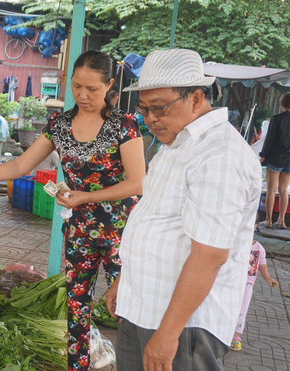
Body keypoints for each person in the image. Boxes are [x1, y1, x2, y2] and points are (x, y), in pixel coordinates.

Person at [0, 50, 145, 370]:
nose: (82, 95)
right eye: (76, 86)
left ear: (110, 85)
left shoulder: (124, 125)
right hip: (79, 230)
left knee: (126, 310)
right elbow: (19, 164)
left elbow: (137, 183)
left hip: (121, 233)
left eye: (92, 89)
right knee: (76, 310)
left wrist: (84, 196)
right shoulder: (60, 124)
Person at [105, 49, 261, 371]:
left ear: (195, 98)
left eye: (159, 107)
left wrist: (168, 334)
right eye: (144, 109)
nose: (150, 119)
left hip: (182, 325)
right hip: (146, 307)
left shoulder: (220, 154)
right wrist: (126, 278)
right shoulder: (176, 144)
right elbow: (154, 218)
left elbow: (209, 255)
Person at [259, 92, 290, 229]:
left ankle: (268, 220)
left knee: (271, 190)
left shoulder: (277, 119)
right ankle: (281, 220)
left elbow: (269, 140)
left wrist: (263, 155)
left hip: (275, 158)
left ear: (281, 104)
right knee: (284, 191)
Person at [230, 239, 279, 351]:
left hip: (247, 284)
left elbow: (262, 264)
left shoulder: (259, 248)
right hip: (231, 281)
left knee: (242, 311)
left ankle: (236, 337)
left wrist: (267, 278)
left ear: (255, 226)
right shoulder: (235, 241)